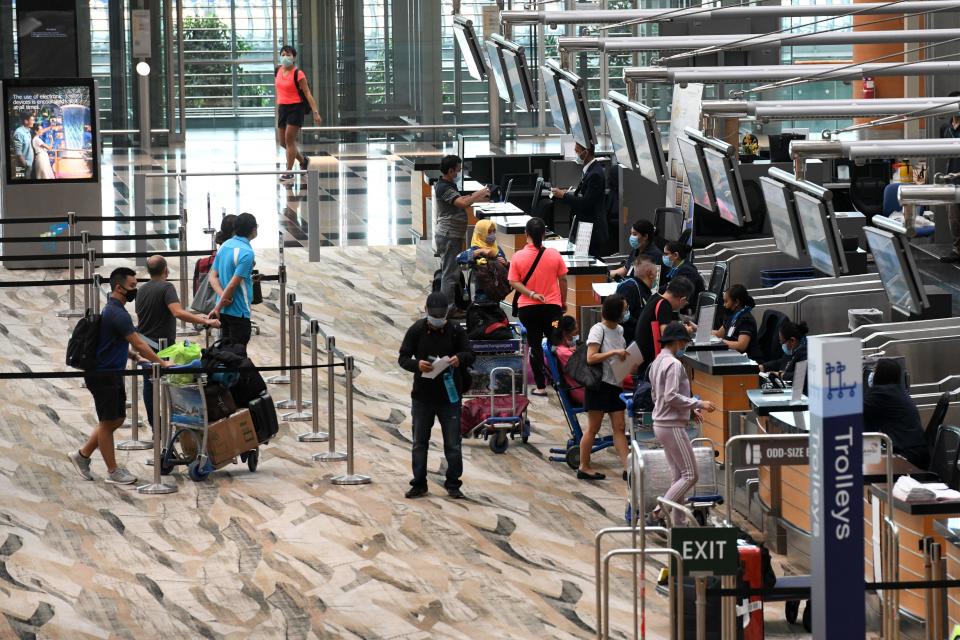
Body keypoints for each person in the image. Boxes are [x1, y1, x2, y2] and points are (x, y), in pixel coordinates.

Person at [68, 267, 169, 484]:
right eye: (132, 286)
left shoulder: (114, 310)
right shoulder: (117, 313)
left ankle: (82, 455)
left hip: (111, 373)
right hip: (103, 375)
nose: (135, 290)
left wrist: (133, 357)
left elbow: (115, 341)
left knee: (116, 419)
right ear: (118, 287)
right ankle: (113, 471)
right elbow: (139, 342)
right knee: (108, 422)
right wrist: (161, 362)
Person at [398, 292, 476, 499]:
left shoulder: (456, 331)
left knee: (452, 443)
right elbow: (403, 357)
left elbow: (470, 354)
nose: (437, 321)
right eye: (434, 317)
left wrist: (459, 358)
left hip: (450, 398)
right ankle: (419, 483)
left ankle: (453, 483)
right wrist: (417, 365)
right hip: (422, 397)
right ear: (426, 311)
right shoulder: (416, 330)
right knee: (419, 443)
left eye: (441, 317)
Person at [137, 255, 220, 427]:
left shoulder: (142, 289)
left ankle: (156, 427)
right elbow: (177, 312)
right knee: (174, 384)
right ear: (166, 270)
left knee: (149, 386)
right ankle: (177, 423)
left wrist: (197, 316)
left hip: (145, 345)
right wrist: (205, 321)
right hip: (163, 347)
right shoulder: (167, 287)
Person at [647, 321, 717, 524]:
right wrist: (698, 403)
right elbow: (670, 396)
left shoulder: (657, 361)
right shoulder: (674, 364)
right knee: (690, 475)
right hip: (671, 425)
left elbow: (657, 395)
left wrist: (689, 409)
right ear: (677, 342)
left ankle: (679, 525)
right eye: (684, 343)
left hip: (661, 423)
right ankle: (660, 511)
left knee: (678, 476)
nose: (685, 347)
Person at [508, 217, 568, 397]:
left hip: (528, 312)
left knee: (534, 345)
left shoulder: (518, 256)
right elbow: (563, 279)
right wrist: (562, 302)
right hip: (553, 312)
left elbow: (513, 281)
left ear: (526, 234)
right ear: (544, 234)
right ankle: (560, 383)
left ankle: (541, 386)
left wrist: (530, 294)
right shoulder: (554, 255)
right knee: (555, 342)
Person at [578, 295, 634, 481]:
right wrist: (614, 352)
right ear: (616, 312)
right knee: (593, 428)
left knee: (619, 427)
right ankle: (584, 466)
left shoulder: (619, 330)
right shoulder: (597, 330)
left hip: (615, 384)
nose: (626, 312)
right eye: (624, 309)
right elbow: (590, 357)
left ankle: (628, 469)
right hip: (599, 385)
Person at [435, 154, 490, 318]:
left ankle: (450, 307)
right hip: (448, 235)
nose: (459, 173)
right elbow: (462, 203)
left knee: (451, 272)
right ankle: (448, 309)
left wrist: (474, 196)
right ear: (450, 171)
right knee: (450, 274)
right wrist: (479, 193)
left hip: (452, 234)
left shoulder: (448, 185)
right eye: (458, 170)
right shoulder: (443, 187)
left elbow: (461, 200)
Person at [864, 359, 929, 469]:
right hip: (915, 450)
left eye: (875, 370)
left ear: (880, 374)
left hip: (907, 455)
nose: (872, 374)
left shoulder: (881, 393)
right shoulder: (896, 390)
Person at [550, 143, 609, 258]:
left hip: (591, 230)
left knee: (590, 264)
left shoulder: (595, 174)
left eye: (577, 152)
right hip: (585, 227)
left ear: (585, 152)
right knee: (582, 261)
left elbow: (585, 203)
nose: (576, 155)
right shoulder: (590, 170)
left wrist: (563, 195)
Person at [276, 45, 323, 184]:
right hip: (282, 108)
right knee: (283, 142)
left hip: (296, 108)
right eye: (283, 54)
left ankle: (289, 171)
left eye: (288, 54)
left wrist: (315, 112)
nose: (285, 57)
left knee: (289, 139)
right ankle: (303, 161)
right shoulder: (277, 71)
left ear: (294, 57)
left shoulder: (298, 74)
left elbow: (308, 94)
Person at [209, 212, 257, 346]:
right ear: (253, 230)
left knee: (225, 354)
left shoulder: (225, 245)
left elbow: (212, 276)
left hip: (224, 310)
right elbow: (232, 285)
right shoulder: (247, 253)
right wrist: (217, 308)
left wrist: (221, 298)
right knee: (237, 355)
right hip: (239, 311)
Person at [633, 276, 696, 378]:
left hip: (643, 359)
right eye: (685, 302)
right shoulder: (664, 305)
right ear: (683, 299)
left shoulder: (655, 298)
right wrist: (685, 330)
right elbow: (666, 333)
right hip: (651, 363)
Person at [457, 218, 508, 303]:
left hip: (496, 293)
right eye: (489, 232)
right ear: (481, 233)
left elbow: (505, 268)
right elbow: (459, 258)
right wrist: (480, 251)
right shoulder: (475, 249)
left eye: (493, 231)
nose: (492, 235)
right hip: (480, 294)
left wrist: (505, 263)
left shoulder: (497, 249)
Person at [712, 284, 762, 360]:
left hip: (745, 360)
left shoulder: (746, 319)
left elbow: (741, 346)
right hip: (732, 356)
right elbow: (718, 334)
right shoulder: (731, 316)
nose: (724, 305)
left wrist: (722, 342)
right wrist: (698, 330)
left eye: (726, 302)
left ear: (736, 302)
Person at [759, 319, 809, 390]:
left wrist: (780, 375)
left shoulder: (805, 353)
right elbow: (782, 361)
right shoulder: (794, 349)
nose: (781, 344)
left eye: (782, 342)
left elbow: (801, 375)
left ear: (792, 341)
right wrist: (763, 367)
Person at [616, 255, 657, 342]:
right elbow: (622, 316)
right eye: (656, 272)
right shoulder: (629, 287)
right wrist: (642, 325)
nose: (656, 276)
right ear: (651, 274)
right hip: (626, 343)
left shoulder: (644, 289)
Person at [194, 214, 236, 295]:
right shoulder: (238, 259)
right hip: (230, 304)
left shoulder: (203, 263)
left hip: (209, 306)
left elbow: (197, 294)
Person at [660, 238, 705, 313]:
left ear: (675, 255)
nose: (663, 256)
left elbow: (679, 294)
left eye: (666, 254)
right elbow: (668, 286)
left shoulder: (687, 271)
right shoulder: (676, 267)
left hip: (688, 311)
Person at [549, 315, 584, 406]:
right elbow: (587, 369)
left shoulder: (562, 349)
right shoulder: (564, 353)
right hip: (582, 392)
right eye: (575, 333)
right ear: (565, 334)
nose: (576, 336)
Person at [12, 111, 35, 177]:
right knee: (22, 184)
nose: (33, 122)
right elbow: (18, 153)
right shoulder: (19, 133)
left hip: (29, 164)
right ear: (26, 121)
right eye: (32, 120)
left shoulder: (28, 131)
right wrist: (26, 165)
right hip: (23, 166)